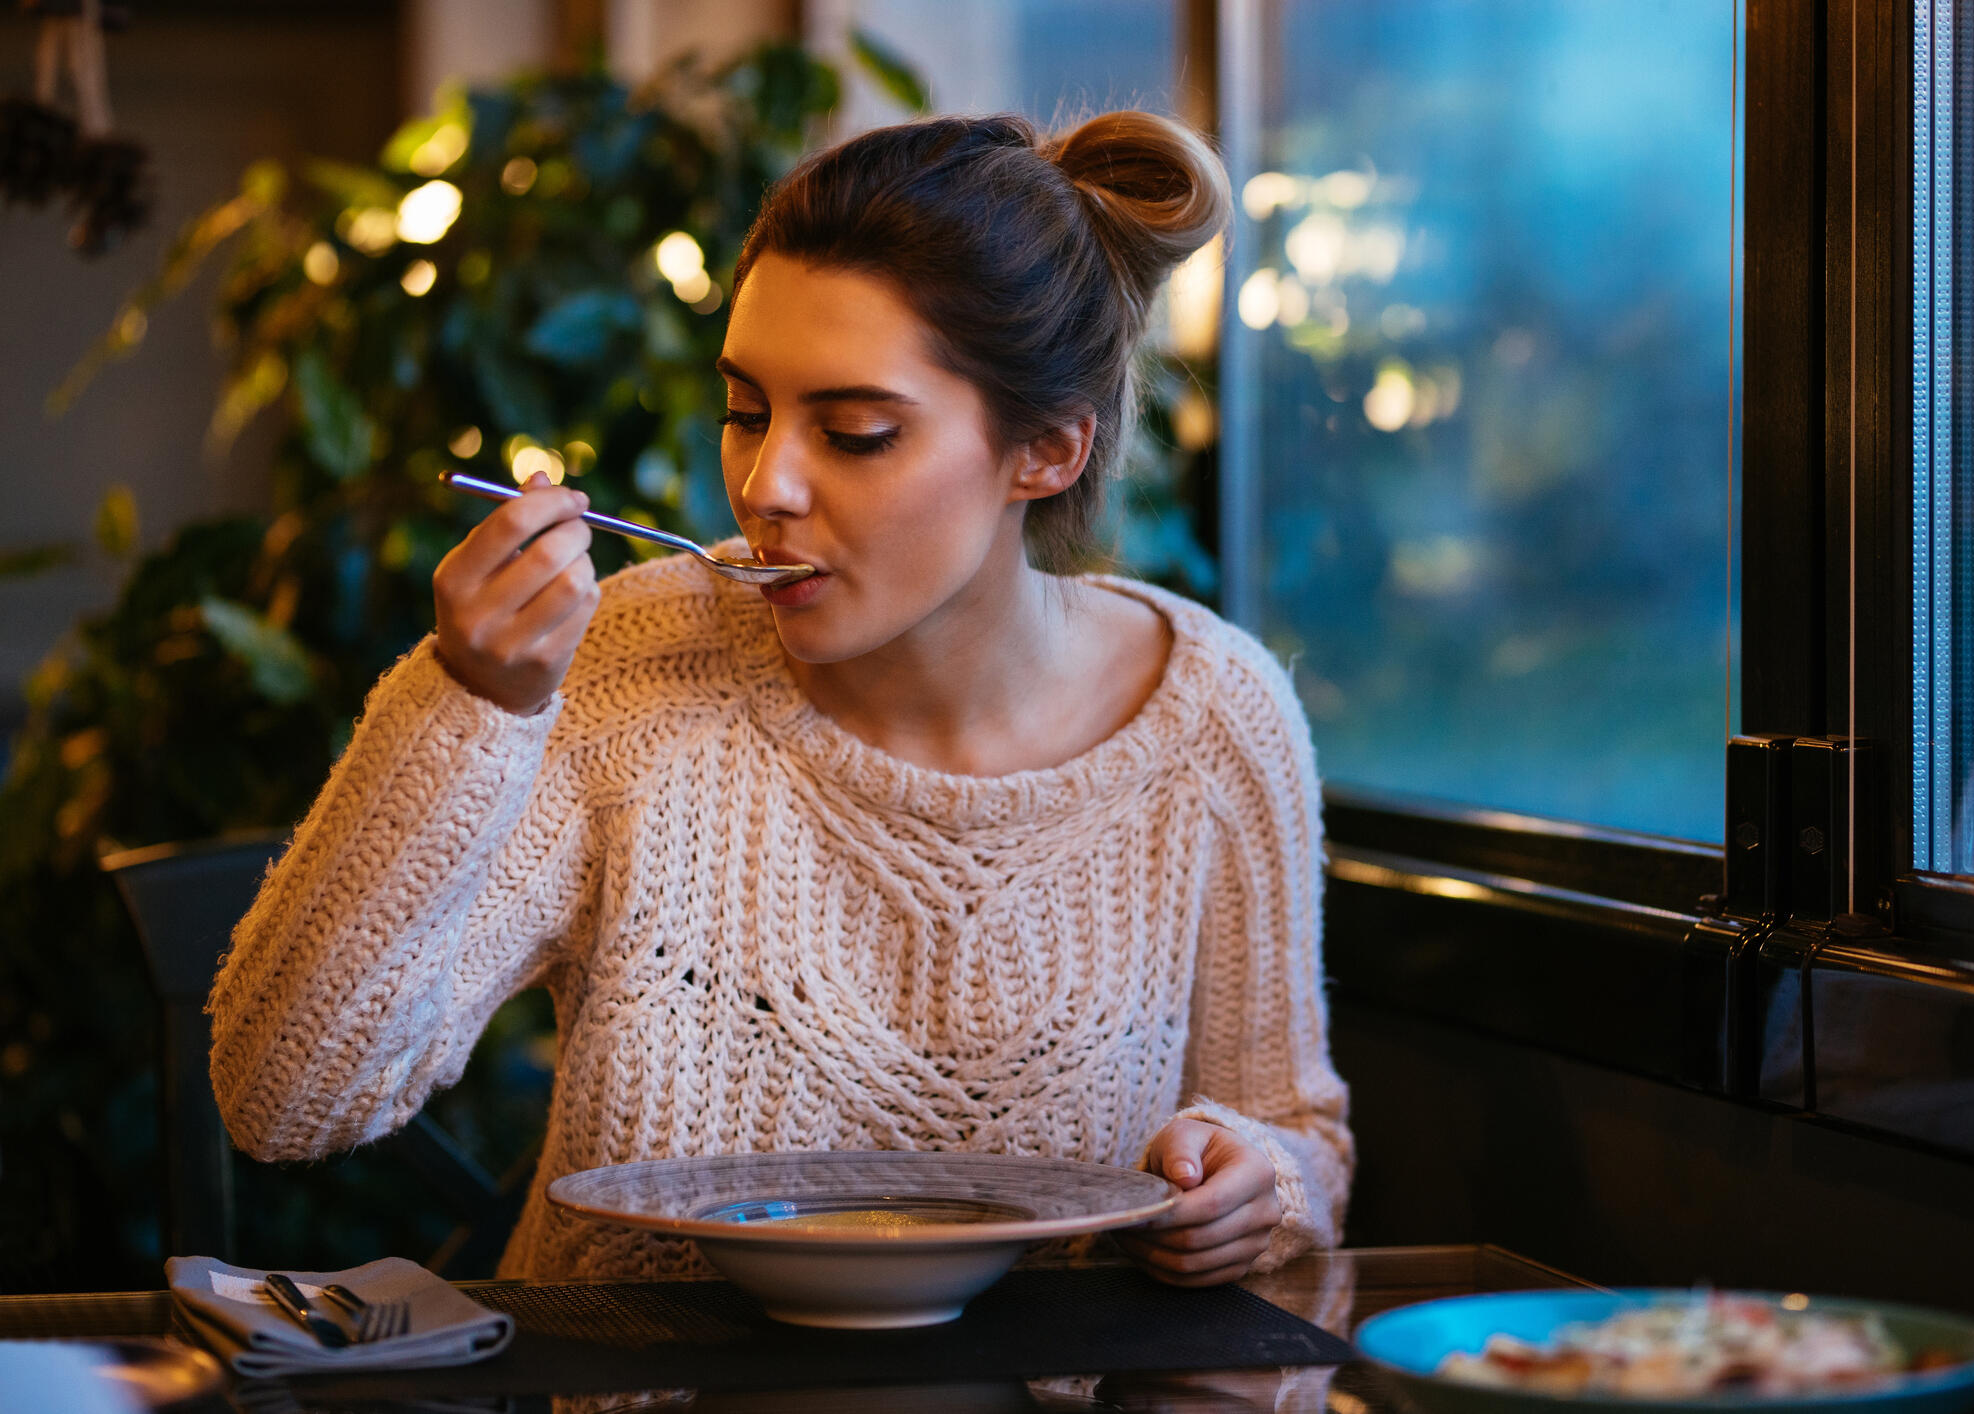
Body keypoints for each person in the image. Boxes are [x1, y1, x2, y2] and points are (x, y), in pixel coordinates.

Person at [207, 110, 1352, 1285]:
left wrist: (1260, 1182)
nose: (765, 485)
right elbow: (285, 1100)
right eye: (746, 411)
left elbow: (1300, 1134)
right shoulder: (635, 668)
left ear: (1047, 452)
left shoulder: (1214, 716)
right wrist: (469, 700)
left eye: (854, 433)